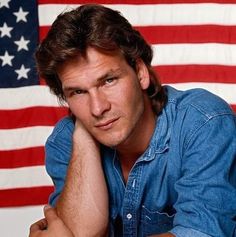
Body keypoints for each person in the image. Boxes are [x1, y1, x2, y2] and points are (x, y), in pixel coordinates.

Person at [29, 3, 236, 237]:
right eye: (78, 92)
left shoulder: (202, 121)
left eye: (108, 81)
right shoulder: (66, 141)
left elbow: (201, 232)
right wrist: (84, 135)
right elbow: (78, 232)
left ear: (140, 72)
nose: (97, 108)